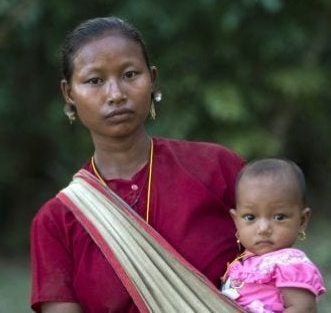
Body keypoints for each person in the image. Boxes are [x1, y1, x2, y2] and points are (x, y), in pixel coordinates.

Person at [30, 16, 246, 312]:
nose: (116, 94)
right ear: (69, 93)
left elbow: (280, 275)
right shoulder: (58, 221)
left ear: (152, 78)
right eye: (94, 81)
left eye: (130, 75)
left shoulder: (216, 168)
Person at [221, 158, 326, 313]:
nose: (263, 228)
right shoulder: (242, 261)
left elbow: (304, 308)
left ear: (302, 220)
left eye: (279, 217)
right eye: (250, 217)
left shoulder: (289, 263)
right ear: (236, 221)